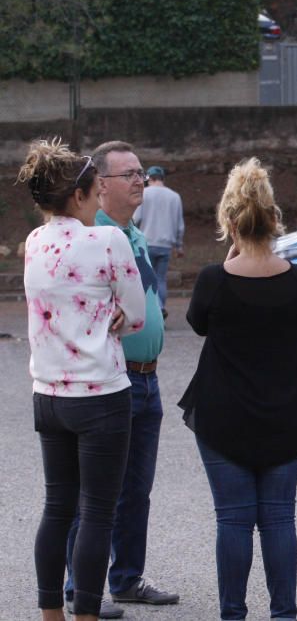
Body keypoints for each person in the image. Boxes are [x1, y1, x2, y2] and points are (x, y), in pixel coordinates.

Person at [180, 158, 297, 621]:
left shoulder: (212, 281)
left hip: (223, 415)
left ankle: (233, 615)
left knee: (233, 519)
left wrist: (229, 262)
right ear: (274, 219)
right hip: (286, 411)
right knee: (280, 518)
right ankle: (284, 614)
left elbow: (198, 325)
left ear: (228, 219)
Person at [19, 139, 146, 621]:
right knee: (97, 512)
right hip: (101, 394)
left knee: (58, 508)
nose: (99, 202)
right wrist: (112, 311)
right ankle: (87, 615)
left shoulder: (34, 241)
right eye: (95, 193)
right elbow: (135, 315)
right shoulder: (108, 240)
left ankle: (51, 612)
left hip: (48, 393)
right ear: (79, 196)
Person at [64, 141, 179, 618]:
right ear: (100, 185)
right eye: (128, 174)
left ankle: (127, 578)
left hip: (146, 380)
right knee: (93, 491)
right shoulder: (91, 235)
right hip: (111, 380)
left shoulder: (132, 232)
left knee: (136, 488)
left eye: (139, 173)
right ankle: (77, 586)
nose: (139, 181)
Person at [133, 165, 184, 319]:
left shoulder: (144, 194)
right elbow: (179, 225)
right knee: (161, 278)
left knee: (146, 277)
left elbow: (136, 219)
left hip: (146, 243)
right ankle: (161, 306)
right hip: (165, 245)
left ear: (150, 178)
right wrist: (179, 245)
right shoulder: (175, 196)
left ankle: (155, 309)